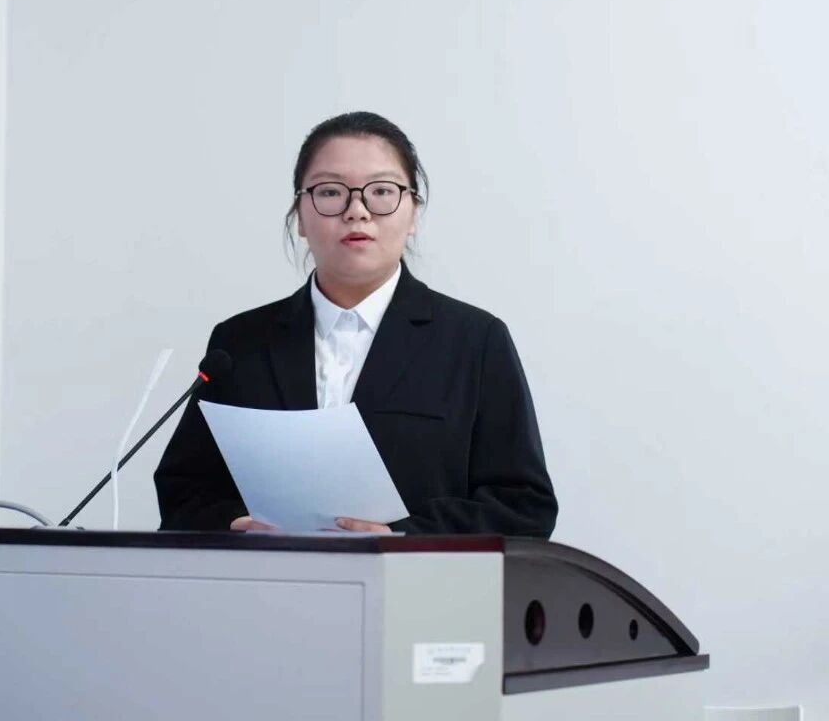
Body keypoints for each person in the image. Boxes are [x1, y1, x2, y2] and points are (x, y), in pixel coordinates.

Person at [154, 111, 557, 536]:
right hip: (269, 575)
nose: (357, 211)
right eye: (331, 192)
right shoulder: (240, 343)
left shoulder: (474, 341)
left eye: (381, 191)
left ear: (413, 214)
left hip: (413, 578)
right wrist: (236, 524)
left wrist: (403, 538)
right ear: (299, 216)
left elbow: (523, 507)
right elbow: (185, 491)